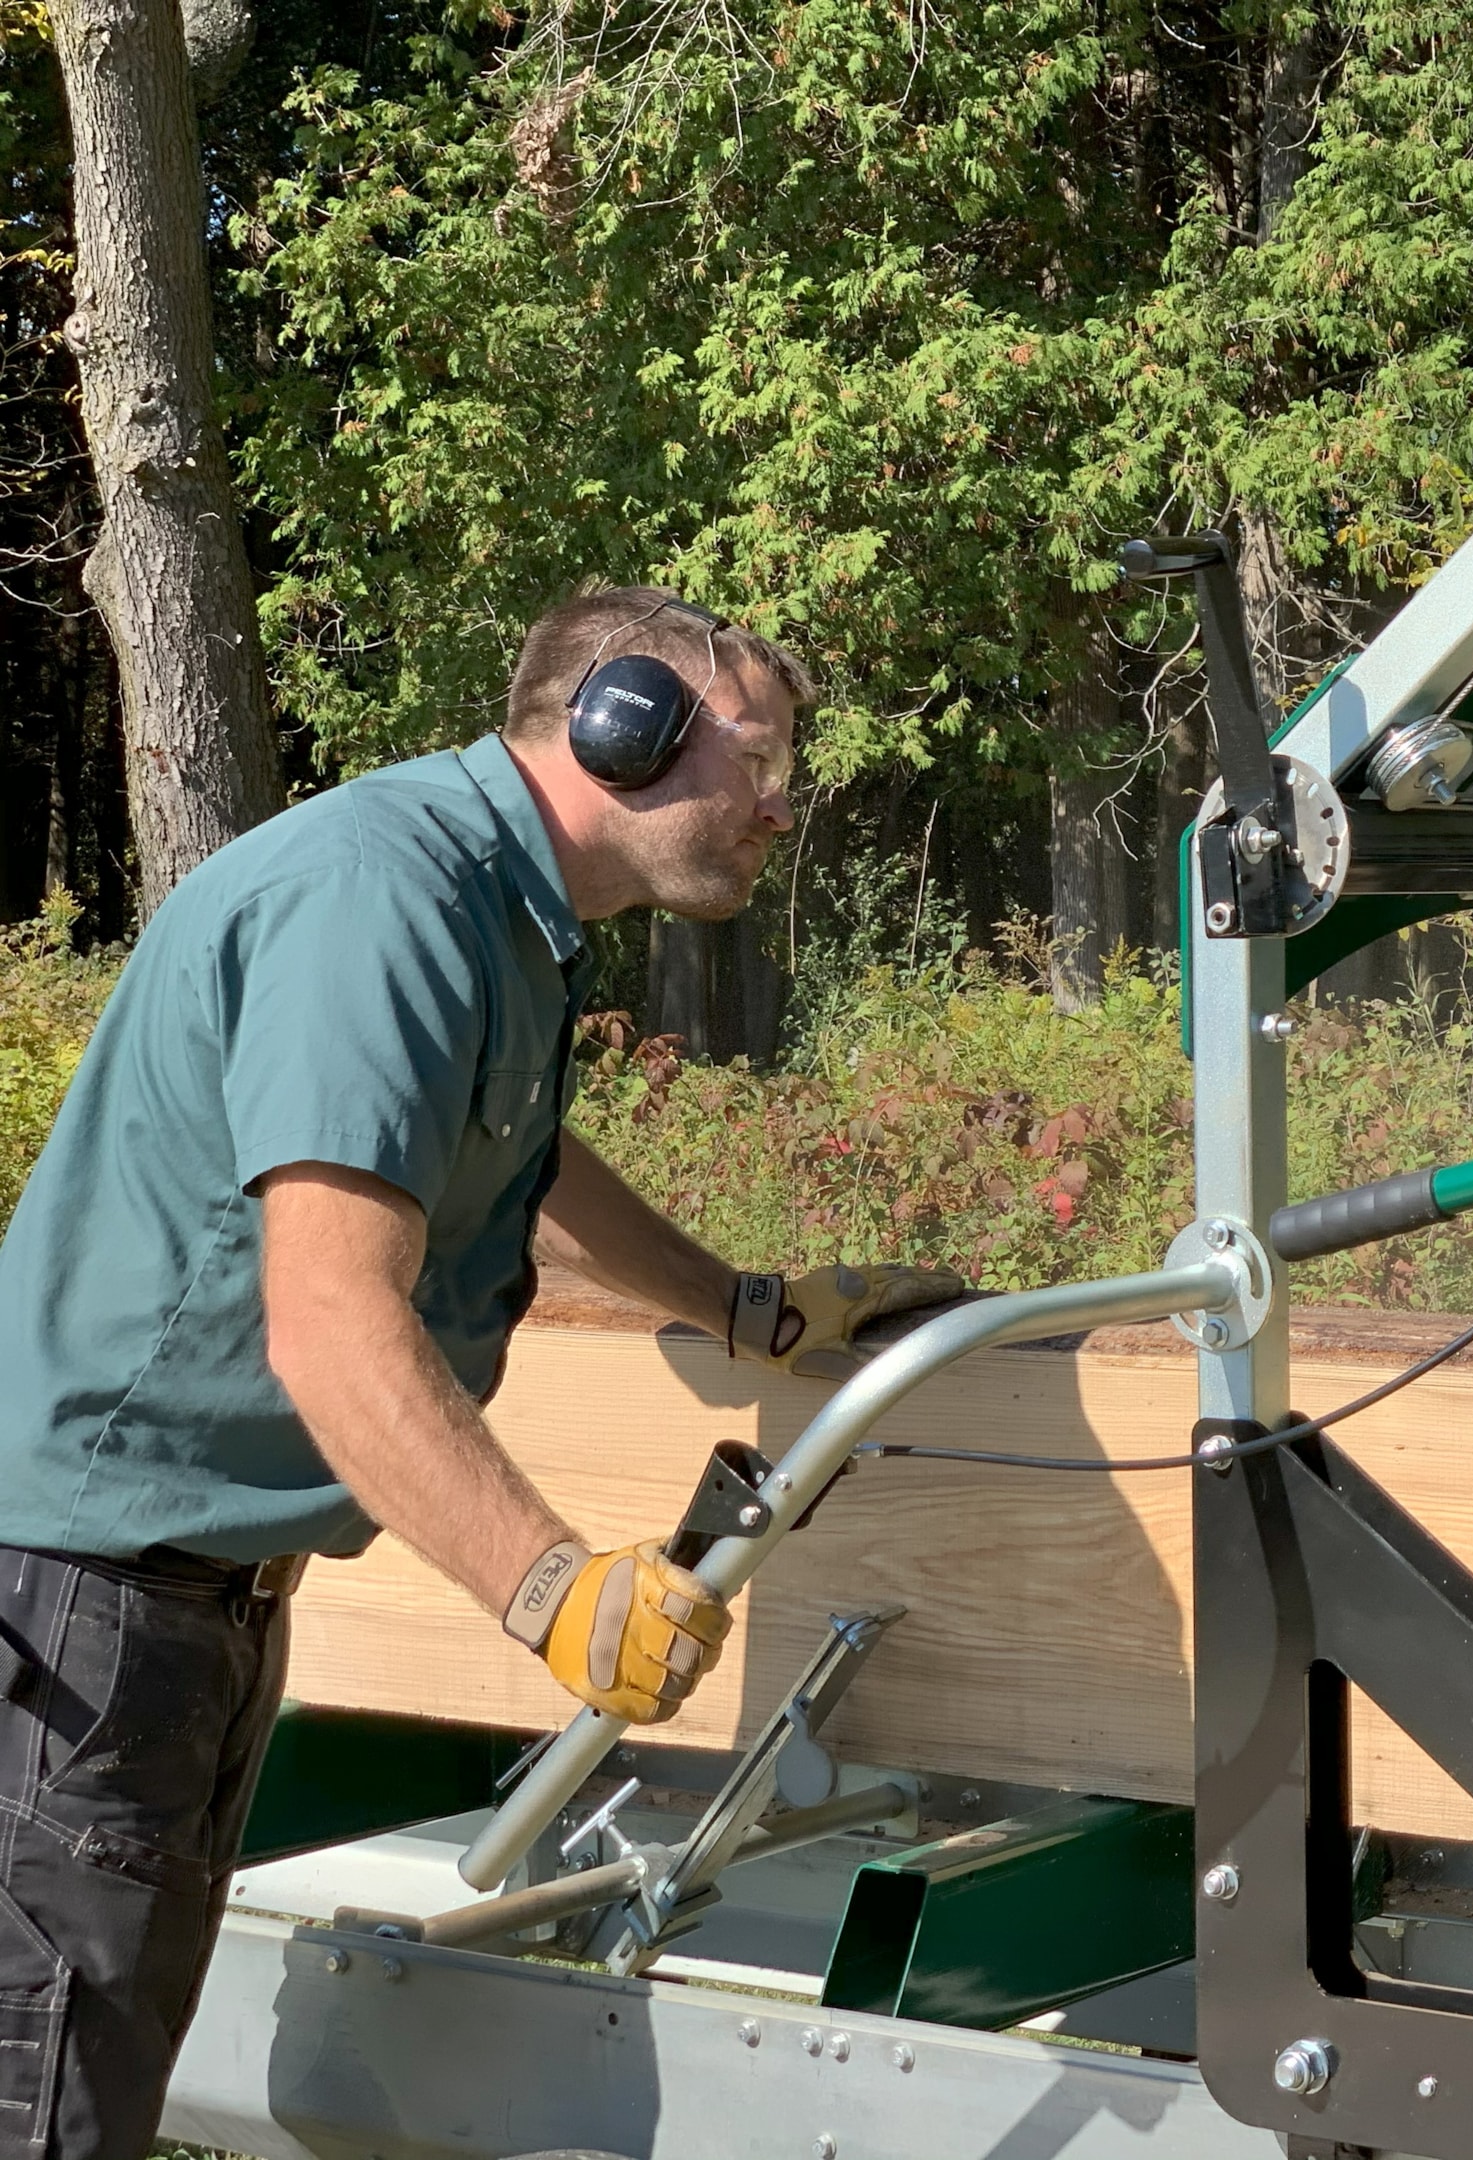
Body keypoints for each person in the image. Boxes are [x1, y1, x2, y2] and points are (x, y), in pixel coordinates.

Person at [0, 587, 962, 2157]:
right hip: (83, 1617)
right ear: (623, 726)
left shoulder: (494, 912)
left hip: (178, 1610)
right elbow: (330, 1320)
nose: (784, 804)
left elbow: (513, 1147)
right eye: (764, 754)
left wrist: (745, 1307)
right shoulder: (382, 899)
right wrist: (554, 1592)